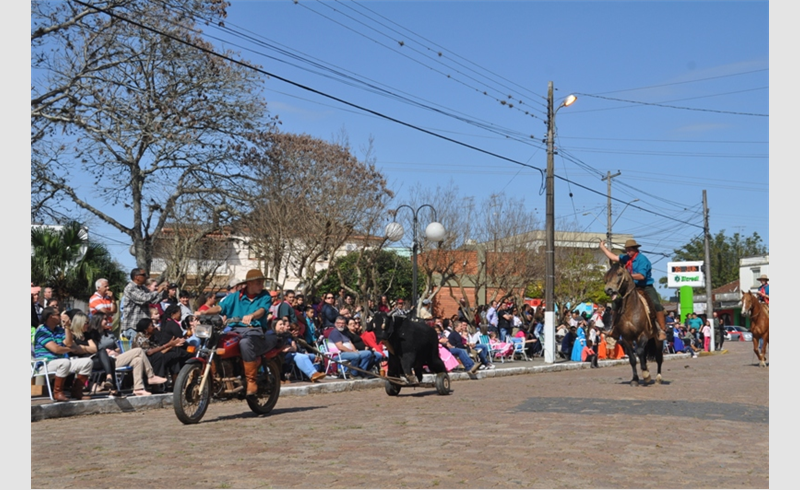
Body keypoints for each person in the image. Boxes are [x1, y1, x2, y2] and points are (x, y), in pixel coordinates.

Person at [203, 269, 277, 396]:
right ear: (249, 284)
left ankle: (251, 381)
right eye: (258, 282)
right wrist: (205, 312)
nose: (261, 285)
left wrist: (252, 316)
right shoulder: (235, 296)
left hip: (254, 330)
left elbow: (262, 311)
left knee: (245, 343)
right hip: (233, 330)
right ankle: (214, 378)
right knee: (213, 342)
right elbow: (220, 307)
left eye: (261, 282)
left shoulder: (265, 295)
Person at [599, 238, 667, 341]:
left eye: (630, 250)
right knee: (615, 302)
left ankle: (661, 329)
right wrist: (603, 248)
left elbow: (641, 276)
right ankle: (614, 329)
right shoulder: (626, 258)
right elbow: (613, 257)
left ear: (635, 249)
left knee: (656, 304)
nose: (628, 252)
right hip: (631, 287)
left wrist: (628, 275)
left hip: (645, 286)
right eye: (627, 250)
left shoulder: (642, 259)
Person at [32, 307, 94, 402]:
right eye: (58, 314)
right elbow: (56, 349)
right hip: (45, 364)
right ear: (50, 317)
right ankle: (58, 393)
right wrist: (69, 349)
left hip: (62, 363)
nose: (61, 317)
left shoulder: (59, 330)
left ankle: (77, 391)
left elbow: (68, 343)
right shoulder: (42, 332)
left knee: (87, 362)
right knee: (64, 362)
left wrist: (67, 327)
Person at [122, 268, 168, 341]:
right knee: (136, 350)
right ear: (136, 277)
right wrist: (158, 291)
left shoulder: (143, 288)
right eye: (143, 275)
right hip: (133, 326)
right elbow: (144, 298)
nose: (146, 277)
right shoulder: (130, 288)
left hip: (144, 326)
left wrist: (165, 291)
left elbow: (154, 300)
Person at [279, 318, 326, 383]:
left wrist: (290, 347)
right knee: (303, 356)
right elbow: (290, 349)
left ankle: (314, 373)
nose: (289, 328)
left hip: (296, 354)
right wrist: (290, 347)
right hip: (290, 356)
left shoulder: (292, 337)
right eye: (288, 327)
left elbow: (295, 348)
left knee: (312, 356)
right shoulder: (282, 336)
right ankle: (312, 374)